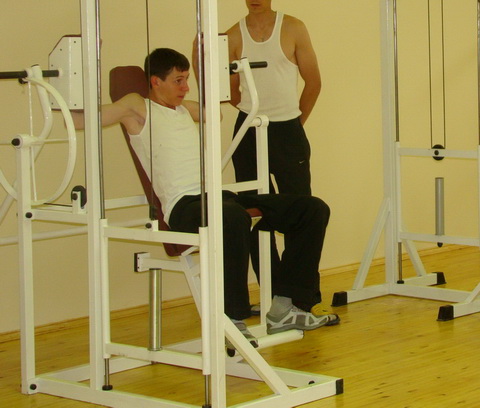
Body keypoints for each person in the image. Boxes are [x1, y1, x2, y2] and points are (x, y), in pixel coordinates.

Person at [75, 48, 338, 345]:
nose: (185, 87)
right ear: (155, 82)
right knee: (232, 217)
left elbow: (213, 111)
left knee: (312, 209)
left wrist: (204, 65)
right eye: (178, 81)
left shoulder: (184, 109)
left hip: (215, 197)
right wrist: (67, 88)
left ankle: (284, 307)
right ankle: (232, 318)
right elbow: (82, 121)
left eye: (187, 79)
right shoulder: (137, 107)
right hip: (183, 206)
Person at [225, 0, 321, 196]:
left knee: (298, 205)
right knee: (253, 203)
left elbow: (314, 82)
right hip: (248, 129)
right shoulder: (232, 36)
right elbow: (231, 92)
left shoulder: (293, 28)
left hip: (287, 128)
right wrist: (253, 111)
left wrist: (294, 122)